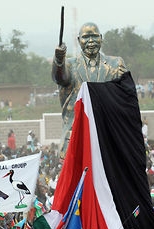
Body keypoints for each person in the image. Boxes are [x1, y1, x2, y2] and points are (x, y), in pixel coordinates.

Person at [52, 22, 127, 158]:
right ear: (78, 40)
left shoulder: (115, 64)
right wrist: (58, 59)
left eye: (94, 36)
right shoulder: (69, 65)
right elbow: (59, 77)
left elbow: (125, 96)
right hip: (76, 137)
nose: (91, 41)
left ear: (101, 38)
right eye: (86, 37)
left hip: (108, 137)